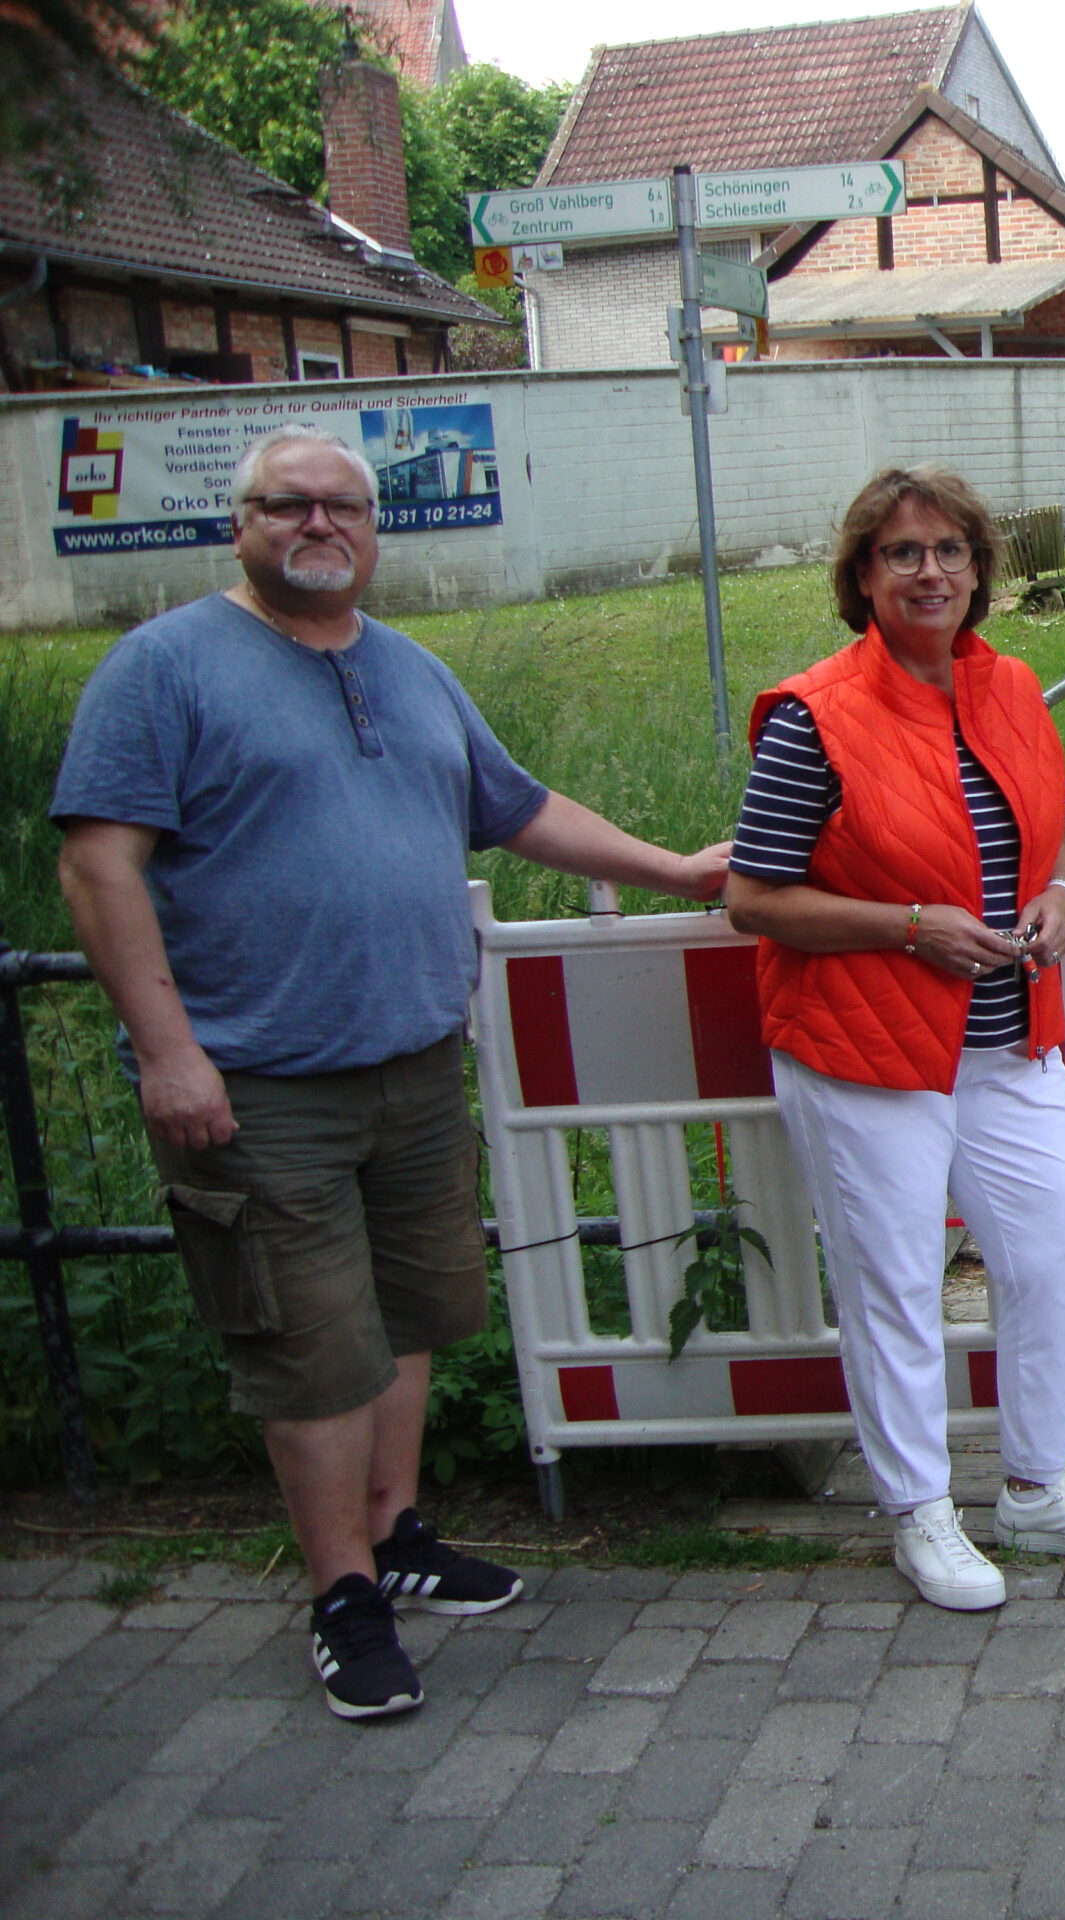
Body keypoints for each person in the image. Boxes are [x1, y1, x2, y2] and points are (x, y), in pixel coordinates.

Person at [51, 428, 731, 1720]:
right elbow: (99, 866)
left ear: (375, 530)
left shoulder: (409, 671)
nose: (319, 525)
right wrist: (167, 1050)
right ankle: (341, 1595)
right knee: (309, 1348)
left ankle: (397, 1532)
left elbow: (517, 807)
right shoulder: (163, 672)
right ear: (239, 523)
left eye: (344, 507)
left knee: (413, 1314)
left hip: (414, 1064)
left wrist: (677, 871)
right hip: (258, 1081)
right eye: (289, 505)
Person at [723, 465, 1065, 1611]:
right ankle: (920, 1510)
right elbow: (755, 899)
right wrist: (906, 927)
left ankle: (1034, 1487)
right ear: (861, 577)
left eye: (950, 551)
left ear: (980, 568)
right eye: (902, 553)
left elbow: (1044, 839)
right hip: (865, 1044)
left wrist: (1058, 896)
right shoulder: (816, 715)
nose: (930, 572)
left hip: (1008, 1036)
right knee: (895, 1282)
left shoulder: (1008, 688)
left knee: (1054, 1250)